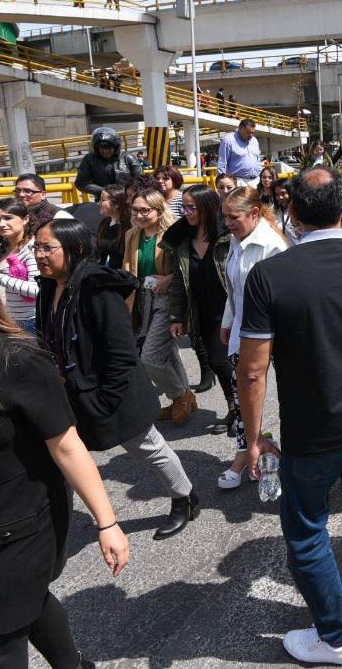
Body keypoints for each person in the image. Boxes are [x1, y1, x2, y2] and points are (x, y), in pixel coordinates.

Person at [0, 248, 129, 669]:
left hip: (20, 528)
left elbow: (67, 446)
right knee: (25, 609)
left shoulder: (15, 362)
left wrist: (107, 522)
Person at [237, 166, 342, 663]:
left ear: (290, 212)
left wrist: (255, 436)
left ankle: (337, 635)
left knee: (306, 529)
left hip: (312, 429)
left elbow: (252, 371)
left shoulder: (269, 275)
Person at [34, 219, 200, 541]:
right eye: (36, 247)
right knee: (63, 454)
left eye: (47, 247)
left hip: (112, 392)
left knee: (148, 448)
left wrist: (106, 399)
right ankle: (56, 522)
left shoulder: (97, 288)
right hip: (72, 392)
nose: (39, 255)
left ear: (75, 249)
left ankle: (185, 498)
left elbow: (122, 354)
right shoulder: (47, 287)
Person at [220, 186, 287, 486]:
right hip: (242, 330)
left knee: (270, 393)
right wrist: (228, 320)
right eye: (225, 217)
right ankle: (251, 447)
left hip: (271, 333)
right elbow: (234, 288)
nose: (228, 224)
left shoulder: (273, 246)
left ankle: (259, 448)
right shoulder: (237, 240)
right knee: (241, 395)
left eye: (233, 217)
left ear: (255, 213)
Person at [123, 188, 196, 426]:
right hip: (143, 297)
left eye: (145, 210)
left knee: (150, 357)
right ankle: (184, 398)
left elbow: (187, 267)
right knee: (168, 351)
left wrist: (170, 278)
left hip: (169, 298)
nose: (140, 215)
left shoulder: (172, 233)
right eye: (136, 210)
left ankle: (179, 395)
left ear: (158, 209)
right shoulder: (132, 234)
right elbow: (128, 268)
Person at [165, 185, 235, 428]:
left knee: (221, 361)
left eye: (190, 207)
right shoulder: (183, 240)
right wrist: (176, 316)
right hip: (200, 312)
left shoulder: (228, 235)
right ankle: (234, 406)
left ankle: (237, 409)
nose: (185, 212)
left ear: (206, 207)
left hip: (230, 311)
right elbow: (177, 281)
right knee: (217, 361)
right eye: (182, 207)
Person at [0, 197, 40, 335]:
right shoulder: (5, 247)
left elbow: (36, 289)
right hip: (14, 320)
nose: (1, 224)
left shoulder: (32, 248)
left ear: (25, 219)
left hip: (33, 321)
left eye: (8, 218)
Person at [217, 119, 262, 186]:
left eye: (253, 132)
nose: (251, 135)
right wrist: (222, 184)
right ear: (240, 128)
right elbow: (222, 163)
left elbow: (257, 159)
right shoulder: (228, 140)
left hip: (256, 181)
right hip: (238, 182)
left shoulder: (254, 140)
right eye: (248, 132)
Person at [95, 184, 129, 269]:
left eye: (103, 200)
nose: (98, 203)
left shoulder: (128, 227)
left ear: (116, 204)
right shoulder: (105, 223)